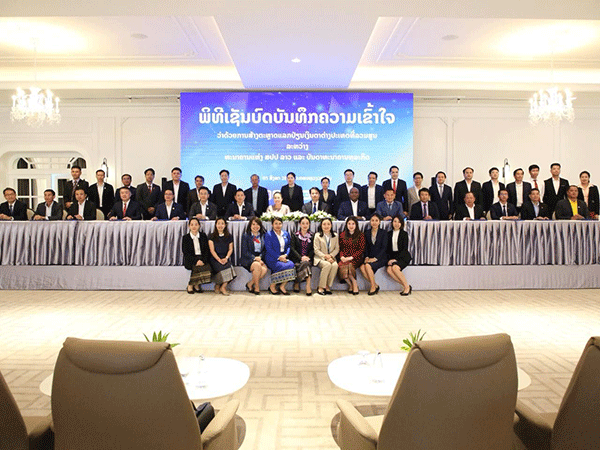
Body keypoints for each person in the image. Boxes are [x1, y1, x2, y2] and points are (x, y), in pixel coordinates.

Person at [264, 217, 296, 295]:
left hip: (283, 257)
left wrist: (285, 255)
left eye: (279, 223)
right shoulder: (269, 234)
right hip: (272, 258)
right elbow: (269, 249)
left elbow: (288, 246)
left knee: (291, 264)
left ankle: (282, 286)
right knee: (281, 266)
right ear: (272, 225)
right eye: (276, 223)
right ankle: (272, 286)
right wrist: (279, 257)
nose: (278, 225)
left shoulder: (285, 233)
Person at [359, 213, 388, 295]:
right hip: (370, 257)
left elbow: (384, 248)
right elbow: (366, 247)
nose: (374, 222)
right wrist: (367, 257)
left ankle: (372, 287)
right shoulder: (367, 232)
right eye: (372, 220)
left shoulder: (384, 233)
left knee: (367, 266)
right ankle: (375, 285)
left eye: (376, 220)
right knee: (362, 266)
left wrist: (375, 259)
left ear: (379, 222)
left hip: (381, 258)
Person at [181, 218, 211, 294]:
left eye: (196, 224)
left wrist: (203, 260)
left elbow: (206, 251)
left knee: (207, 266)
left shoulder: (203, 236)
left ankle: (192, 284)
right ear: (189, 226)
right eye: (192, 225)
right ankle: (194, 285)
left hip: (202, 257)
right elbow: (186, 252)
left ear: (199, 226)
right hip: (191, 259)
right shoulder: (186, 238)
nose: (194, 227)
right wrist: (196, 261)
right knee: (196, 266)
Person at [239, 217, 267, 295]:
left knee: (264, 269)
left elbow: (265, 250)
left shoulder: (263, 235)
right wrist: (255, 258)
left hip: (259, 257)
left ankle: (250, 284)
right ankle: (257, 288)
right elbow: (244, 251)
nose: (255, 226)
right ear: (250, 226)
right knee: (257, 266)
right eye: (253, 224)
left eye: (257, 224)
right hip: (248, 258)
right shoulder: (246, 236)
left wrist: (260, 257)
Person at [208, 217, 236, 295]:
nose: (220, 225)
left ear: (225, 225)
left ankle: (223, 286)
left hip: (225, 258)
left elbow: (231, 249)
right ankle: (217, 285)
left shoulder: (229, 236)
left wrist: (226, 258)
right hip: (215, 259)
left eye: (222, 223)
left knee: (230, 268)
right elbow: (212, 250)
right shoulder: (211, 236)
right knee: (222, 268)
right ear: (216, 225)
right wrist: (218, 259)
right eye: (218, 223)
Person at [338, 216, 365, 295]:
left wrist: (351, 257)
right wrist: (342, 257)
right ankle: (351, 285)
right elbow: (341, 248)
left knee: (349, 266)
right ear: (346, 225)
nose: (351, 226)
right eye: (349, 224)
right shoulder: (342, 235)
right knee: (341, 265)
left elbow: (361, 250)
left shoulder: (360, 235)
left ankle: (354, 282)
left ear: (356, 225)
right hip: (345, 258)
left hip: (356, 258)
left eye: (353, 224)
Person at [386, 215, 412, 296]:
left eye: (399, 222)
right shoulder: (388, 234)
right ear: (392, 223)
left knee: (395, 268)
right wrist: (390, 259)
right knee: (389, 270)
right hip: (393, 256)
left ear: (402, 224)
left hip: (403, 256)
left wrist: (395, 260)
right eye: (395, 221)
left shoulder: (404, 234)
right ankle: (406, 285)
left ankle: (406, 288)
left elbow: (404, 249)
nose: (396, 224)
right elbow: (387, 249)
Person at [313, 218, 339, 295]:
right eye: (324, 224)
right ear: (321, 225)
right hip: (320, 258)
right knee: (327, 265)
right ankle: (321, 287)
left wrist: (331, 256)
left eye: (328, 224)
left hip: (331, 258)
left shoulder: (335, 236)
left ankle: (327, 285)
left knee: (335, 265)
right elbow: (316, 250)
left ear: (331, 225)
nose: (326, 226)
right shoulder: (317, 235)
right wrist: (325, 257)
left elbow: (337, 249)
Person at [289, 216, 314, 296]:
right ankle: (308, 286)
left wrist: (308, 257)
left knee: (306, 263)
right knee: (305, 265)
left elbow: (313, 249)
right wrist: (301, 257)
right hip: (297, 259)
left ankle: (297, 282)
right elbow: (292, 249)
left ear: (309, 224)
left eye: (307, 223)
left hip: (308, 258)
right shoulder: (295, 235)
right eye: (303, 223)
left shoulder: (312, 235)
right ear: (300, 224)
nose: (305, 225)